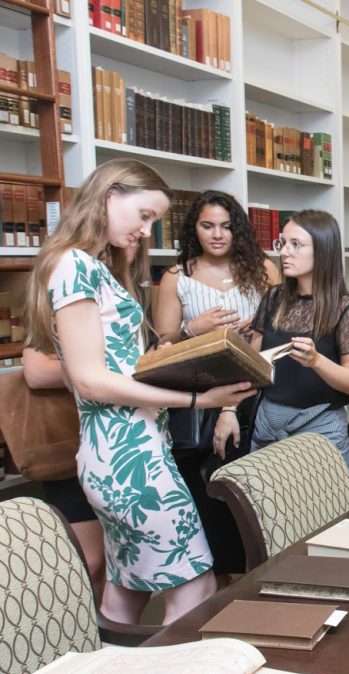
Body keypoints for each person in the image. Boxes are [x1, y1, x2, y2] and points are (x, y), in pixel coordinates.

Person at [24, 158, 254, 625]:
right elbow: (89, 379)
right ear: (111, 196)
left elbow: (96, 368)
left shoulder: (90, 266)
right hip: (130, 459)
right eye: (144, 215)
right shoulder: (75, 266)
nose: (147, 231)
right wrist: (197, 399)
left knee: (124, 592)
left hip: (123, 451)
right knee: (198, 586)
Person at [154, 190, 279, 579]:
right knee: (212, 493)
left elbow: (280, 329)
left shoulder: (264, 270)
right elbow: (163, 347)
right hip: (204, 397)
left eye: (226, 226)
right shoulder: (178, 278)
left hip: (258, 392)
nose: (217, 234)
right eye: (207, 226)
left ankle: (262, 572)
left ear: (238, 229)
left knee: (261, 490)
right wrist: (197, 329)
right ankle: (223, 577)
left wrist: (257, 329)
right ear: (194, 229)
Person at [248, 209, 349, 472]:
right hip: (268, 425)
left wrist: (316, 361)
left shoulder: (347, 309)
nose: (284, 252)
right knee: (268, 511)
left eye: (296, 245)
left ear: (323, 250)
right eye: (283, 243)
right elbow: (252, 363)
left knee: (328, 510)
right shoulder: (273, 298)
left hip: (321, 428)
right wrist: (227, 411)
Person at [21, 346, 105, 600]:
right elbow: (36, 373)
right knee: (89, 560)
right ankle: (82, 630)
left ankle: (98, 629)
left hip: (108, 442)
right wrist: (105, 370)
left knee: (108, 560)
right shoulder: (54, 307)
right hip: (69, 444)